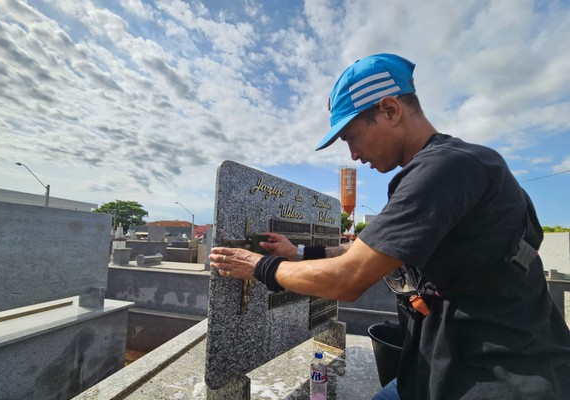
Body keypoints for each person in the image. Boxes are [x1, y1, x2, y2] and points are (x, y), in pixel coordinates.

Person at [209, 53, 570, 399]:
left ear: (390, 110)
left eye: (351, 136)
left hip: (494, 378)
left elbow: (347, 280)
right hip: (437, 368)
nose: (352, 154)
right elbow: (374, 248)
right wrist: (300, 252)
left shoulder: (441, 171)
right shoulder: (463, 164)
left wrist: (259, 265)